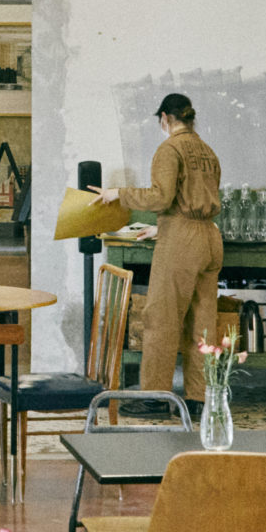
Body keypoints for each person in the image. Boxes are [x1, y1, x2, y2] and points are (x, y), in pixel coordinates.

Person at [96, 93, 222, 398]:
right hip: (209, 237)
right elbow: (196, 201)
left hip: (182, 243)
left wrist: (118, 193)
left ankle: (153, 397)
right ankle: (199, 399)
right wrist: (162, 227)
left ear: (165, 118)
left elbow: (161, 197)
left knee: (161, 320)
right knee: (203, 325)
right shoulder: (207, 151)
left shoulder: (169, 149)